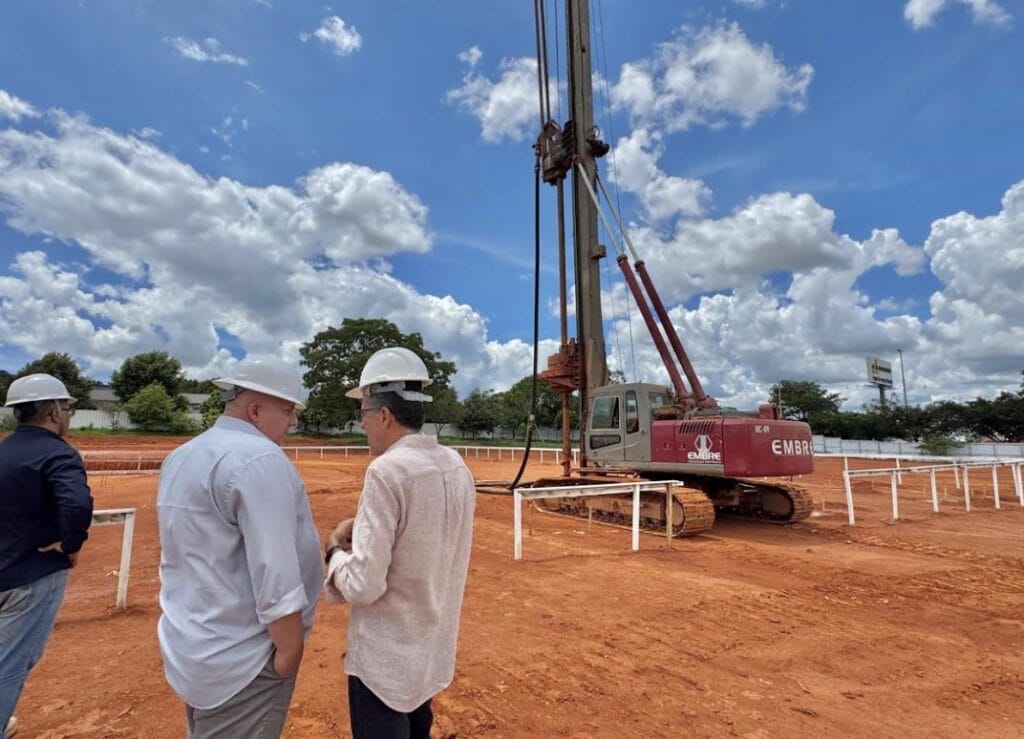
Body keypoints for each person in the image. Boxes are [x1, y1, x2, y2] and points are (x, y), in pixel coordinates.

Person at [157, 356, 322, 739]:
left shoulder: (182, 455)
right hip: (244, 659)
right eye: (287, 409)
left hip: (194, 644)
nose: (293, 420)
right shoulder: (260, 459)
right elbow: (276, 575)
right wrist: (288, 654)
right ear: (255, 409)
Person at [324, 347, 476, 739]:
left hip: (383, 667)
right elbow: (428, 535)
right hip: (429, 657)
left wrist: (335, 553)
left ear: (384, 415)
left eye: (363, 415)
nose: (363, 425)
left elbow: (363, 586)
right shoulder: (456, 466)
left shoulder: (386, 472)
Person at [0, 374, 93, 739]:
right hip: (33, 577)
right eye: (68, 408)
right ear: (54, 412)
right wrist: (70, 546)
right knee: (11, 663)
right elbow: (77, 504)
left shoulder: (4, 450)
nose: (69, 416)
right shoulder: (58, 453)